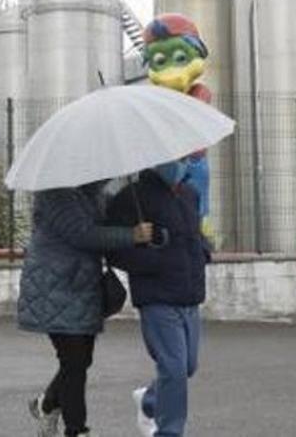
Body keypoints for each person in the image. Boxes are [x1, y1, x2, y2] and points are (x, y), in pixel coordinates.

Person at [18, 181, 154, 437]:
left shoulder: (93, 194)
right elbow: (83, 234)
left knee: (81, 359)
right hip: (53, 287)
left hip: (83, 286)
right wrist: (131, 235)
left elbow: (107, 217)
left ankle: (47, 404)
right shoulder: (54, 192)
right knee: (74, 360)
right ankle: (76, 430)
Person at [106, 161, 209, 437]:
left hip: (189, 295)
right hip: (157, 297)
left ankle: (150, 400)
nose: (181, 162)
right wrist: (148, 255)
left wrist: (203, 250)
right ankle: (170, 432)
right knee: (173, 369)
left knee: (186, 367)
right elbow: (114, 252)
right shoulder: (131, 199)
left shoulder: (189, 194)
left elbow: (194, 234)